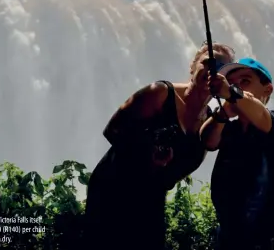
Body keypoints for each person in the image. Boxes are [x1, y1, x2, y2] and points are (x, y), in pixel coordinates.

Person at [83, 42, 236, 250]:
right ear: (193, 66)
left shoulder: (210, 123)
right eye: (208, 62)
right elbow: (113, 129)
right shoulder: (161, 94)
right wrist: (146, 152)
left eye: (220, 68)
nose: (212, 70)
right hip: (113, 191)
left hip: (150, 200)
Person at [200, 57, 274, 250]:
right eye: (232, 83)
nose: (236, 88)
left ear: (267, 90)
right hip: (230, 236)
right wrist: (222, 113)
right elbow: (208, 140)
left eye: (245, 82)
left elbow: (259, 113)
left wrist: (230, 92)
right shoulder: (229, 129)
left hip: (269, 239)